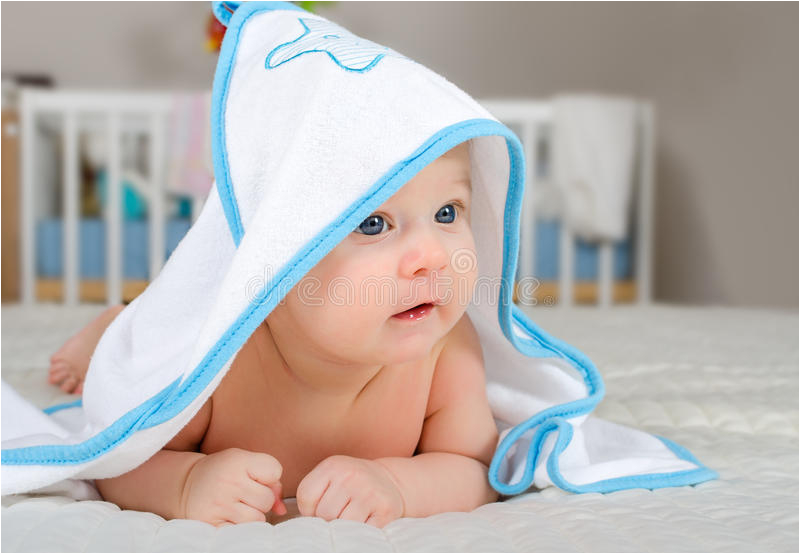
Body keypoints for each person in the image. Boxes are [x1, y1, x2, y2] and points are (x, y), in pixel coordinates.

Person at [47, 141, 500, 528]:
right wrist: (186, 484)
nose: (433, 257)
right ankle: (112, 325)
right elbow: (122, 459)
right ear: (278, 255)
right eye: (372, 224)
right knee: (132, 341)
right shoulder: (220, 354)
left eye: (447, 213)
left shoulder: (446, 347)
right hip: (178, 327)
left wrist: (400, 488)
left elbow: (474, 466)